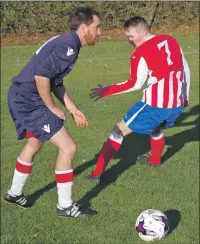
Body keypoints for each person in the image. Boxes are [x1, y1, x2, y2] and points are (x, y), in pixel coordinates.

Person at [4, 6, 101, 218]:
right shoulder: (69, 46)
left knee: (34, 143)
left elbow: (55, 81)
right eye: (97, 27)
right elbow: (41, 78)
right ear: (84, 27)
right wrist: (53, 108)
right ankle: (65, 206)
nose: (99, 32)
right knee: (69, 147)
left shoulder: (69, 43)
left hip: (23, 96)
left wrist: (72, 108)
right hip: (29, 99)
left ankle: (14, 193)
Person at [88, 16, 190, 182]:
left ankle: (97, 173)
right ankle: (155, 160)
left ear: (143, 32)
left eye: (131, 37)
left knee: (118, 131)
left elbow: (134, 84)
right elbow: (185, 69)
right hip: (176, 104)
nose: (129, 41)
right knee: (156, 128)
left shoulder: (139, 53)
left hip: (155, 105)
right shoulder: (170, 40)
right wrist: (184, 96)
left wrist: (106, 91)